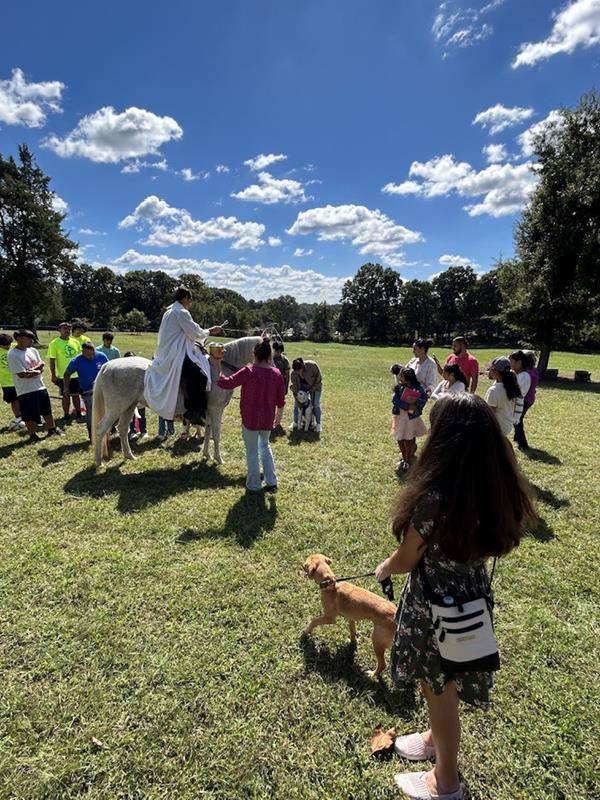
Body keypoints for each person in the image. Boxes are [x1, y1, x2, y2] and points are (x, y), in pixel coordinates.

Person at [375, 393, 536, 800]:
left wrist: (385, 567)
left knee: (437, 685)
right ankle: (434, 738)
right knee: (447, 681)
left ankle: (445, 781)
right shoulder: (495, 491)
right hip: (471, 599)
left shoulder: (435, 498)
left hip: (433, 605)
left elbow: (409, 557)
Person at [144, 286, 223, 427]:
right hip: (175, 353)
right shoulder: (181, 312)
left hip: (166, 351)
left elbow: (189, 331)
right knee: (200, 376)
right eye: (190, 300)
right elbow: (194, 332)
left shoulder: (169, 312)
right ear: (185, 298)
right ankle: (194, 412)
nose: (190, 303)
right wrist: (210, 330)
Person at [216, 338, 285, 493]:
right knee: (265, 446)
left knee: (252, 451)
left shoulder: (249, 371)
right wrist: (279, 416)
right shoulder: (276, 373)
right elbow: (281, 399)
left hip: (250, 418)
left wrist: (216, 369)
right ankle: (271, 480)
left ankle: (254, 484)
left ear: (254, 354)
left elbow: (227, 383)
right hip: (267, 419)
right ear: (269, 356)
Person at [7, 330, 64, 443]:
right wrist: (36, 371)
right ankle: (33, 435)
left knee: (47, 410)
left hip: (40, 386)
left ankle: (51, 429)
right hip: (25, 390)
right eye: (29, 338)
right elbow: (22, 374)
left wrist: (33, 371)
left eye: (32, 338)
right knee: (29, 414)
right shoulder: (13, 354)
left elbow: (42, 364)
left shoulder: (33, 350)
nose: (32, 341)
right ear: (19, 339)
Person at [63, 342, 107, 439]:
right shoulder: (76, 361)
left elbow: (108, 370)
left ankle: (108, 430)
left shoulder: (102, 357)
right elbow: (67, 374)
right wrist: (66, 388)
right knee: (91, 413)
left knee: (106, 411)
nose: (90, 357)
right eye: (87, 355)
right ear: (82, 352)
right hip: (87, 391)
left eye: (92, 354)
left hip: (103, 389)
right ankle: (92, 434)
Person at [392, 367, 428, 471]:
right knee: (400, 438)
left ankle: (407, 460)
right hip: (399, 416)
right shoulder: (399, 387)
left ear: (408, 378)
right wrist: (406, 406)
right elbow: (395, 400)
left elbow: (423, 399)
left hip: (410, 418)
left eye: (402, 376)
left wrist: (416, 401)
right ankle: (404, 457)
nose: (400, 378)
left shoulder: (418, 388)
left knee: (408, 439)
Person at [47, 322, 84, 422]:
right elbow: (52, 360)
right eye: (64, 329)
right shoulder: (54, 343)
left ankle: (78, 412)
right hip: (63, 375)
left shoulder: (75, 342)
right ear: (59, 330)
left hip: (76, 374)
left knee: (76, 395)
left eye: (69, 329)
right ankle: (66, 414)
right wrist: (53, 375)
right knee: (66, 395)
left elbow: (80, 358)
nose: (67, 331)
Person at [484, 357, 521, 437]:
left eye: (490, 369)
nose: (489, 371)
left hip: (497, 428)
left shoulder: (493, 390)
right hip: (507, 425)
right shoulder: (512, 386)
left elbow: (489, 415)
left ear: (496, 372)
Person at [510, 350, 537, 450]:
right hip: (526, 399)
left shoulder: (528, 374)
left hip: (526, 400)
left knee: (518, 420)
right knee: (517, 419)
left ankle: (523, 444)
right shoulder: (526, 372)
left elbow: (520, 389)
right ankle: (517, 438)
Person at [0, 333, 25, 431]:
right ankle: (18, 417)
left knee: (25, 398)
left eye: (9, 344)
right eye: (5, 345)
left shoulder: (15, 347)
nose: (8, 346)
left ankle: (29, 415)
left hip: (21, 379)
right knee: (14, 400)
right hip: (7, 382)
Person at [290, 357, 322, 432]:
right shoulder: (294, 374)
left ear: (303, 366)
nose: (298, 372)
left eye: (299, 370)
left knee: (315, 404)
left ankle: (318, 424)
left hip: (316, 386)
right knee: (296, 404)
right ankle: (295, 422)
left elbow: (319, 379)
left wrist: (311, 390)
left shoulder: (312, 365)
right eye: (296, 371)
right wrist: (297, 398)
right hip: (302, 388)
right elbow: (295, 388)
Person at [123, 351, 148, 440]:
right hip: (129, 397)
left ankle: (143, 431)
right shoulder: (123, 371)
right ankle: (132, 431)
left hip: (139, 396)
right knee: (130, 415)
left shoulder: (139, 369)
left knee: (142, 414)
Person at [272, 341, 290, 429]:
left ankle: (278, 421)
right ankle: (270, 419)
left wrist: (286, 387)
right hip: (270, 386)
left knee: (280, 404)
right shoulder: (269, 359)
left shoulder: (284, 360)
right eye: (276, 351)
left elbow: (287, 373)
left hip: (281, 386)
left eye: (280, 351)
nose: (278, 353)